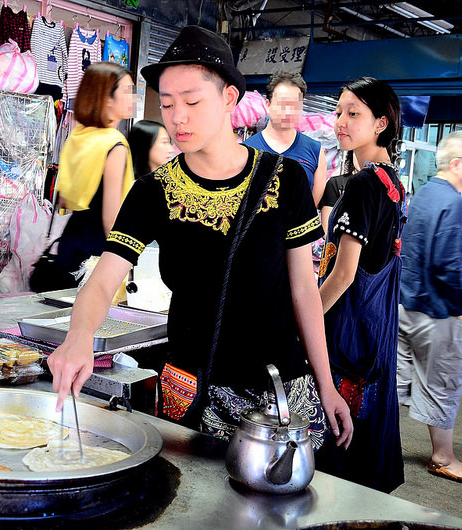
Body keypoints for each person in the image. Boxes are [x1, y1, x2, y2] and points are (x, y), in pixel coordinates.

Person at [47, 25, 352, 450]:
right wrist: (78, 339)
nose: (178, 117)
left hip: (280, 393)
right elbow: (103, 279)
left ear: (229, 97)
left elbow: (304, 290)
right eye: (168, 104)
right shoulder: (153, 191)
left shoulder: (286, 181)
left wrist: (327, 385)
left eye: (192, 101)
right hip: (191, 390)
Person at [314, 76, 405, 493]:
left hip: (345, 326)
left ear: (381, 123)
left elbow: (345, 273)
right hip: (375, 325)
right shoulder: (392, 181)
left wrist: (305, 319)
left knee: (335, 426)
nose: (341, 122)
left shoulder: (364, 184)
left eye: (354, 114)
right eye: (338, 112)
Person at [397, 130, 462, 487]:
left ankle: (373, 441)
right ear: (456, 163)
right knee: (443, 383)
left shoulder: (424, 194)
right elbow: (450, 263)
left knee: (399, 379)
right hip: (440, 312)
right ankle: (443, 457)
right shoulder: (451, 204)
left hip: (410, 304)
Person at [30, 61, 135, 292]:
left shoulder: (79, 137)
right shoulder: (115, 145)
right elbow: (111, 218)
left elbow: (65, 201)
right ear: (106, 98)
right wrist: (124, 266)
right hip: (95, 254)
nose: (133, 98)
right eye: (127, 92)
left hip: (70, 245)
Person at [242, 72, 327, 207]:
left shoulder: (315, 151)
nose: (288, 111)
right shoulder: (245, 150)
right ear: (268, 105)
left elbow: (310, 209)